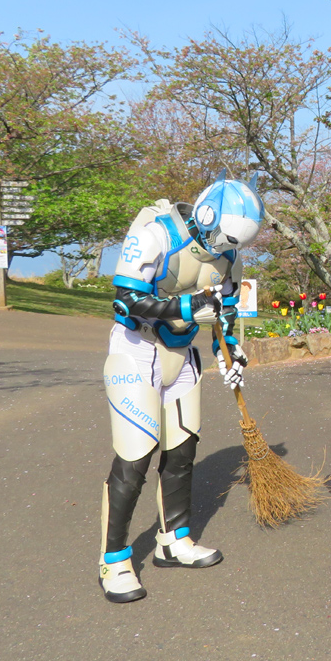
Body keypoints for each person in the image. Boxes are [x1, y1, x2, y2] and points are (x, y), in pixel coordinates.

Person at [97, 174, 264, 603]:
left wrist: (229, 349)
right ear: (207, 216)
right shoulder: (156, 235)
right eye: (222, 238)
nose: (223, 248)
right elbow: (124, 301)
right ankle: (114, 560)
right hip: (137, 349)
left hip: (181, 354)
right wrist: (187, 306)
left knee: (182, 451)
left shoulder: (229, 256)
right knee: (135, 455)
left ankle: (174, 540)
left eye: (232, 244)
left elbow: (226, 310)